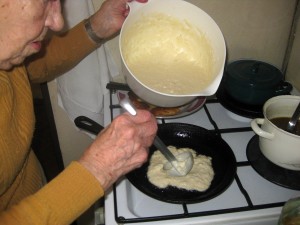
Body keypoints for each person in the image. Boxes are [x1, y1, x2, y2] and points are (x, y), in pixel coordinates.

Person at [0, 0, 157, 224]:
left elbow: (31, 68)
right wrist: (96, 171)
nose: (58, 22)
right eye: (44, 2)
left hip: (35, 191)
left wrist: (99, 25)